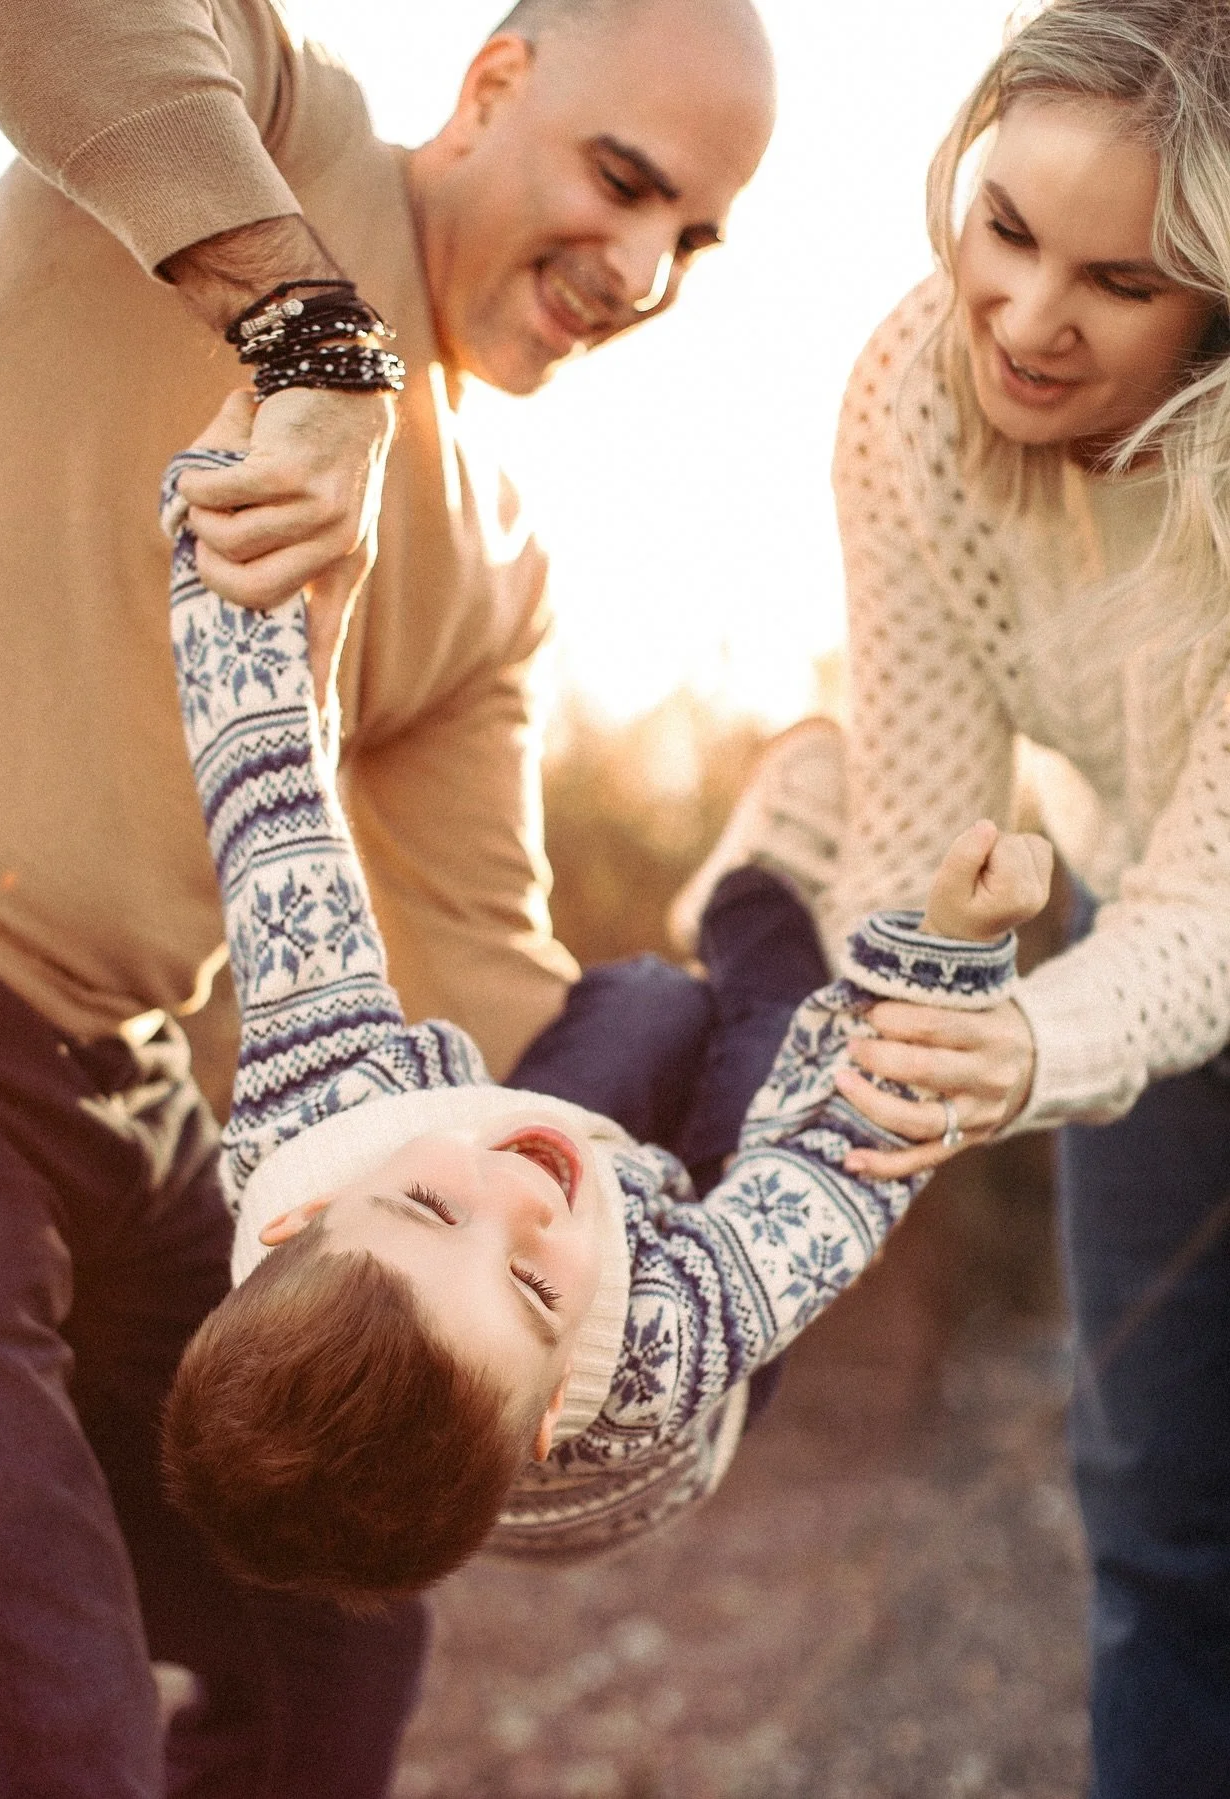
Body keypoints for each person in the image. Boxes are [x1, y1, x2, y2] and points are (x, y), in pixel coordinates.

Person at [0, 2, 775, 1795]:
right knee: (32, 1738)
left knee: (329, 1615)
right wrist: (316, 343)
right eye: (627, 181)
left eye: (691, 239)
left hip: (116, 1078)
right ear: (491, 88)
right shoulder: (271, 118)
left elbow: (489, 993)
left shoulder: (490, 557)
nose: (642, 264)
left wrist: (764, 1022)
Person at [155, 436, 1052, 1606]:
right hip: (697, 1358)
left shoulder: (314, 1110)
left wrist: (237, 553)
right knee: (775, 1035)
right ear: (546, 1409)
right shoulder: (662, 1353)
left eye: (430, 1203)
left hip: (576, 1252)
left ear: (304, 1212)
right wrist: (943, 955)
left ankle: (703, 945)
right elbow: (840, 1160)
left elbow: (271, 820)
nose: (520, 1197)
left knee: (652, 1007)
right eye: (528, 1287)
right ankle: (759, 890)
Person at [673, 4, 1230, 1794]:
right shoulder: (913, 391)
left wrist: (1023, 1038)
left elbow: (1216, 905)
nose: (1026, 315)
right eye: (1005, 228)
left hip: (1181, 926)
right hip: (1128, 946)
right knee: (1152, 1509)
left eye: (1120, 280)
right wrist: (801, 931)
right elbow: (919, 846)